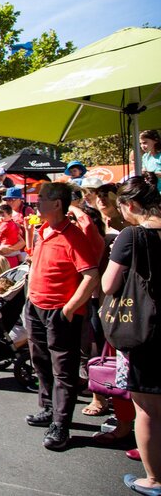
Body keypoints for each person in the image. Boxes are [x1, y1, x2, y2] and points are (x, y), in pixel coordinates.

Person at [24, 182, 99, 451]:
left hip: (60, 312)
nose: (36, 202)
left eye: (42, 199)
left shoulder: (73, 236)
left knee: (63, 370)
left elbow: (91, 276)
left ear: (57, 204)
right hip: (36, 307)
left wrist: (68, 309)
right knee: (40, 360)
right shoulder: (43, 230)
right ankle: (47, 408)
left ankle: (61, 424)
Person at [101, 175, 161, 495]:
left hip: (147, 329)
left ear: (132, 205)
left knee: (148, 409)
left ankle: (154, 478)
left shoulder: (132, 236)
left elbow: (109, 285)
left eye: (122, 207)